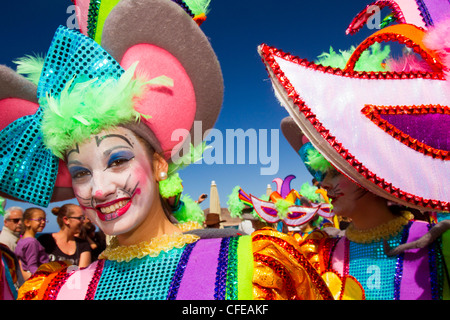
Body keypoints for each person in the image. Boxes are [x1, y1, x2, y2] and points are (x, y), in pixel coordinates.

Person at [5, 0, 337, 300]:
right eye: (81, 172)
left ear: (160, 164)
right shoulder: (55, 291)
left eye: (118, 161)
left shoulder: (249, 271)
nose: (100, 189)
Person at [262, 0, 450, 300]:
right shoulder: (318, 253)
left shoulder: (436, 246)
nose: (322, 184)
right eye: (320, 173)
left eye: (335, 171)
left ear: (370, 167)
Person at [38, 204, 91, 269]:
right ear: (66, 220)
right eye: (80, 218)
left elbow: (82, 273)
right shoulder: (45, 240)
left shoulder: (83, 245)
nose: (84, 221)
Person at [14, 208, 49, 281]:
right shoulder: (31, 242)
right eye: (39, 220)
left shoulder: (22, 239)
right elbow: (32, 266)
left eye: (44, 220)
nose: (43, 222)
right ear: (27, 222)